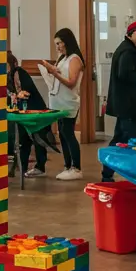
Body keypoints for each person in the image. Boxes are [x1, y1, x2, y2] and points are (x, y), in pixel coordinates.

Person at [100, 19, 136, 182]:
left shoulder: (125, 48)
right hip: (127, 104)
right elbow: (124, 74)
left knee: (119, 139)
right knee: (129, 140)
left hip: (123, 104)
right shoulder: (129, 51)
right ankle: (133, 176)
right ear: (134, 33)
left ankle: (107, 173)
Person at [40, 28, 85, 180]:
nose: (58, 47)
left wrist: (55, 73)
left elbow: (71, 82)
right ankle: (67, 165)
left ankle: (76, 167)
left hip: (68, 102)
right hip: (59, 100)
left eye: (59, 43)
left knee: (68, 133)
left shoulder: (74, 59)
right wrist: (51, 71)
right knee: (62, 133)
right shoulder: (63, 58)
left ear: (67, 41)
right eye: (56, 44)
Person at [6, 50, 59, 178]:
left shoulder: (20, 73)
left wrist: (18, 95)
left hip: (34, 110)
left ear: (12, 64)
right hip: (21, 112)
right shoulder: (6, 77)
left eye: (5, 65)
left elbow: (27, 90)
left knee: (38, 138)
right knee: (23, 140)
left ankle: (40, 167)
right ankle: (23, 167)